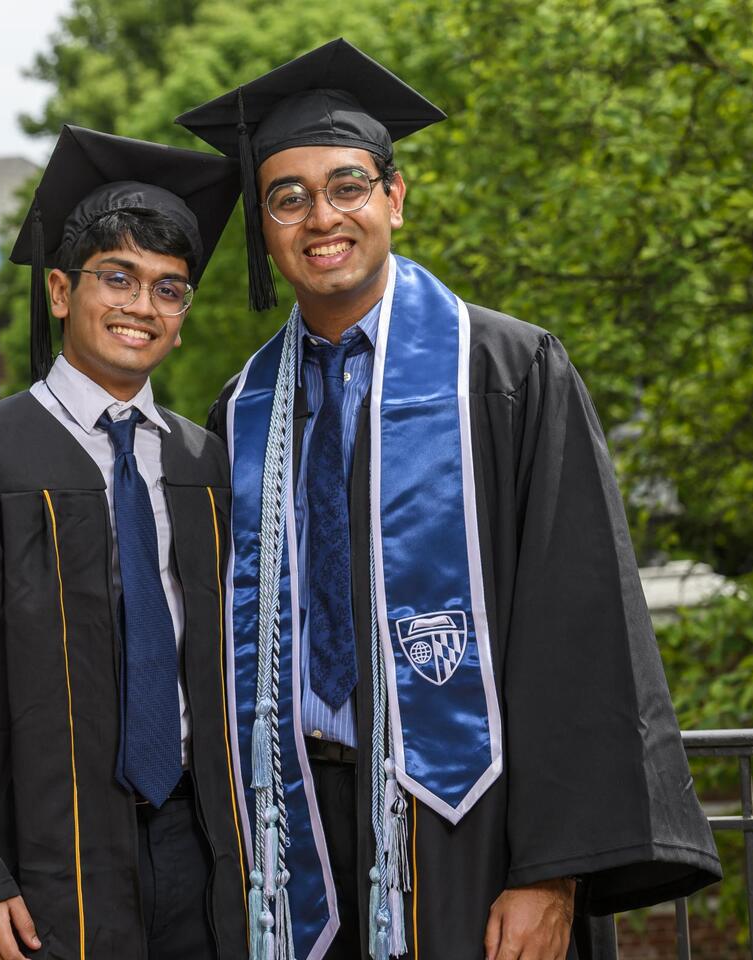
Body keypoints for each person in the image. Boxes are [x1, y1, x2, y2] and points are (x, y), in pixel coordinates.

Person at [175, 38, 721, 960]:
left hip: (473, 821)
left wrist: (549, 870)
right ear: (265, 228)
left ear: (394, 197)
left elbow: (581, 628)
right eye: (288, 196)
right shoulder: (242, 409)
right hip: (297, 832)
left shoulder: (507, 373)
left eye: (347, 185)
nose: (322, 217)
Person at [0, 124, 250, 960]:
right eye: (119, 278)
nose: (143, 306)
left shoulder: (202, 460)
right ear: (62, 292)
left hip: (199, 856)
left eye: (169, 289)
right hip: (36, 865)